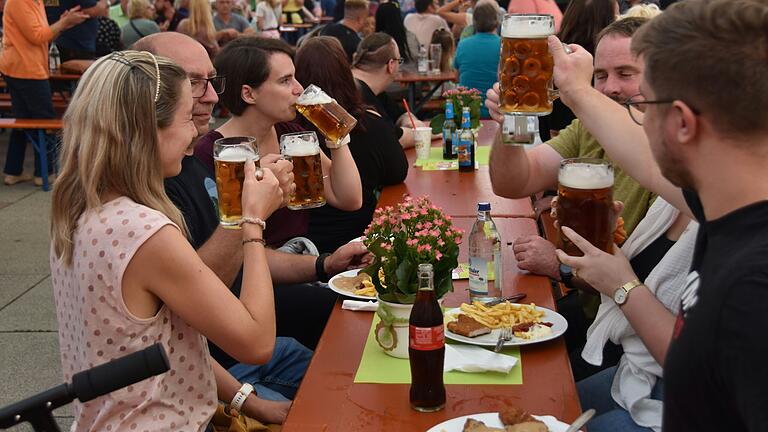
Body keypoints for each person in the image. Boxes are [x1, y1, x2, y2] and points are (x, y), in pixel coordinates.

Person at [549, 0, 768, 429]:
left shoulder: (751, 287)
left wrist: (624, 285)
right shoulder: (728, 199)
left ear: (682, 124)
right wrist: (576, 92)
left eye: (643, 108)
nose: (637, 124)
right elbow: (646, 163)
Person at [134, 32, 371, 424]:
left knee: (358, 366)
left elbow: (349, 198)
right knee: (343, 330)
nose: (210, 96)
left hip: (241, 334)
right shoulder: (198, 165)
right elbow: (220, 323)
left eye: (211, 81)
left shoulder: (197, 161)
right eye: (194, 82)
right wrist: (252, 219)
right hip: (212, 371)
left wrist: (337, 134)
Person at [50, 49, 286, 431]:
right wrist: (252, 219)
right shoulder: (144, 231)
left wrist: (251, 404)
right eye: (183, 119)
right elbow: (256, 342)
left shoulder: (81, 212)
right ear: (145, 130)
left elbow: (165, 341)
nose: (195, 131)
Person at [487, 16, 656, 376]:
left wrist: (560, 265)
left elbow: (642, 280)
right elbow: (514, 182)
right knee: (487, 349)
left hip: (632, 339)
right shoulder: (589, 128)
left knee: (531, 383)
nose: (610, 88)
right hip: (592, 311)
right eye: (601, 75)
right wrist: (510, 125)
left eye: (626, 74)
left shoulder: (672, 155)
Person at [193, 36, 363, 247]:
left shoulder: (291, 135)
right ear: (249, 93)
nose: (299, 89)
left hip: (301, 259)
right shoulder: (212, 154)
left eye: (295, 77)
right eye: (285, 80)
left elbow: (349, 198)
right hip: (254, 272)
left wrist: (337, 134)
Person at [296, 36, 408, 253]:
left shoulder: (290, 131)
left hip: (305, 245)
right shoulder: (367, 123)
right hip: (356, 242)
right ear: (346, 73)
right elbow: (397, 171)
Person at [0, 0, 88, 186]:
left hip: (22, 67)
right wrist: (64, 23)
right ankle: (44, 174)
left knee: (23, 121)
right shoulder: (20, 2)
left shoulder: (32, 2)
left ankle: (13, 172)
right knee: (45, 120)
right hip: (27, 69)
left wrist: (64, 22)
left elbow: (43, 34)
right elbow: (38, 36)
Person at [538, 0, 618, 141]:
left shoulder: (552, 53)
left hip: (550, 139)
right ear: (609, 20)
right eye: (617, 16)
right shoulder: (606, 59)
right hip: (591, 143)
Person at [352, 32, 427, 149]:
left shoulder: (372, 90)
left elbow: (400, 114)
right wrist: (430, 133)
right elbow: (395, 139)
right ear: (391, 65)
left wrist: (411, 122)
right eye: (399, 61)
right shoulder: (358, 94)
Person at [452, 0, 499, 118]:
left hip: (467, 114)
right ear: (497, 21)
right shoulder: (505, 46)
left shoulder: (463, 44)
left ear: (474, 22)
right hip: (496, 113)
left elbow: (456, 77)